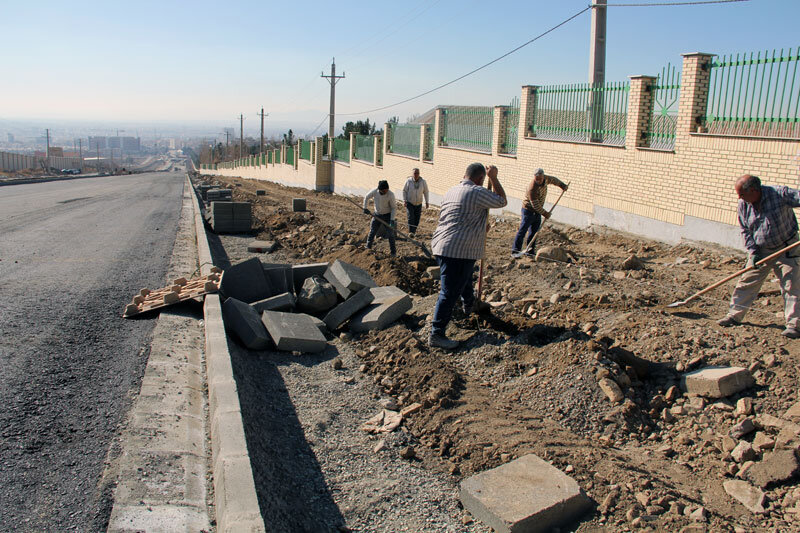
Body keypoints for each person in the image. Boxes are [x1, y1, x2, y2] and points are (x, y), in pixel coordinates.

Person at [428, 163, 507, 349]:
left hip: (444, 245)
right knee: (449, 292)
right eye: (484, 180)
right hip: (457, 250)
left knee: (465, 279)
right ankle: (436, 334)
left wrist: (480, 227)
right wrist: (494, 178)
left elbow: (458, 216)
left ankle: (469, 305)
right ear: (480, 179)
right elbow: (502, 201)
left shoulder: (452, 191)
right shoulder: (476, 192)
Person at [717, 174, 800, 338]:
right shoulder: (743, 204)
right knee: (747, 281)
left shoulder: (779, 194)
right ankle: (734, 315)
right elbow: (745, 230)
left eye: (741, 193)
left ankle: (794, 325)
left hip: (787, 248)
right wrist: (753, 252)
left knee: (792, 285)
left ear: (754, 190)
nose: (739, 197)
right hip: (761, 251)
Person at [511, 168, 567, 256]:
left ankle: (530, 251)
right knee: (523, 230)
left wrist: (562, 185)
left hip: (537, 211)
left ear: (543, 177)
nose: (539, 181)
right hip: (528, 210)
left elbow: (554, 180)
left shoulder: (546, 179)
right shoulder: (532, 188)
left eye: (540, 179)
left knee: (534, 232)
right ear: (534, 177)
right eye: (537, 179)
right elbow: (535, 205)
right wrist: (545, 213)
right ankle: (515, 251)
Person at [363, 179, 397, 256]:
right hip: (377, 215)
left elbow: (394, 208)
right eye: (384, 190)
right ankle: (368, 248)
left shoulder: (390, 194)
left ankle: (393, 253)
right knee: (372, 231)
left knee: (391, 234)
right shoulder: (375, 191)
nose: (386, 191)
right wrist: (364, 208)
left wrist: (392, 220)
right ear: (380, 189)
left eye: (387, 190)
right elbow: (366, 197)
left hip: (387, 216)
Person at [402, 168, 429, 235]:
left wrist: (427, 202)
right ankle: (411, 232)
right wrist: (404, 200)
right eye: (415, 173)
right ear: (412, 174)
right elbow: (404, 191)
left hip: (419, 203)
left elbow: (426, 192)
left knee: (417, 219)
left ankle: (413, 231)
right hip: (410, 202)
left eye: (417, 173)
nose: (416, 175)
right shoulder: (408, 181)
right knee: (411, 217)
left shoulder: (423, 182)